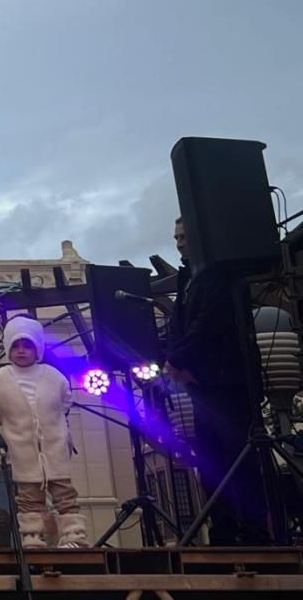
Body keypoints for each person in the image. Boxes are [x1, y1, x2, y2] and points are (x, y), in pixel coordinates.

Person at [165, 216, 270, 545]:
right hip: (201, 386)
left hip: (226, 382)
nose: (179, 243)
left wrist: (178, 359)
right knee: (211, 460)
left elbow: (210, 322)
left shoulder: (218, 277)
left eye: (183, 236)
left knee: (239, 456)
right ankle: (223, 529)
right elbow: (179, 327)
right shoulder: (187, 279)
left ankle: (254, 532)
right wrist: (173, 361)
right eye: (176, 237)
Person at [0, 315, 86, 548]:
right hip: (21, 449)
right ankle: (32, 536)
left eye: (27, 346)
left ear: (37, 349)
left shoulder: (53, 376)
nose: (21, 351)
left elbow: (65, 402)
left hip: (54, 446)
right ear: (8, 348)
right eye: (16, 346)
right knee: (29, 496)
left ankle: (73, 534)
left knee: (64, 494)